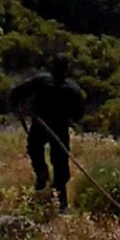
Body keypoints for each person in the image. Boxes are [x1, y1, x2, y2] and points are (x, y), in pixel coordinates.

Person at [10, 54, 84, 213]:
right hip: (59, 128)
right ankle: (60, 199)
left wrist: (17, 105)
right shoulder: (72, 89)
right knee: (60, 161)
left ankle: (42, 175)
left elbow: (17, 92)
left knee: (35, 149)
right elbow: (79, 114)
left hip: (41, 124)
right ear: (66, 69)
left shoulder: (41, 81)